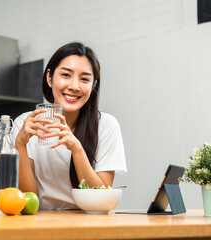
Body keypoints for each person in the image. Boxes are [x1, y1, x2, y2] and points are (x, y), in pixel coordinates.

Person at [12, 42, 127, 209]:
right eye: (66, 75)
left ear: (93, 85)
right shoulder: (25, 124)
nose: (74, 86)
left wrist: (77, 149)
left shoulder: (106, 126)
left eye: (85, 79)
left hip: (87, 226)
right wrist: (20, 145)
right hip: (39, 225)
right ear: (49, 78)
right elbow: (29, 201)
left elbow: (101, 201)